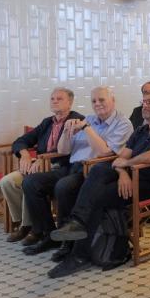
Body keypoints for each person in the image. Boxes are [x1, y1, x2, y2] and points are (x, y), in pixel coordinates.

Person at [47, 91, 150, 278]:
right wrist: (122, 173)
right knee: (100, 169)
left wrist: (125, 165)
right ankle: (77, 224)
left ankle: (78, 254)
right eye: (143, 101)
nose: (145, 105)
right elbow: (121, 158)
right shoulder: (141, 131)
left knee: (98, 197)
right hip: (130, 179)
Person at [38, 87, 134, 261]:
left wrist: (87, 128)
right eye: (93, 101)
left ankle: (68, 243)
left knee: (64, 187)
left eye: (102, 100)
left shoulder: (123, 123)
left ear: (113, 100)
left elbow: (105, 152)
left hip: (96, 171)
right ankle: (48, 234)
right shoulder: (88, 119)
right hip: (72, 166)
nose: (97, 104)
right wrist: (67, 132)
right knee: (32, 183)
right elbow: (63, 150)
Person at [1, 88, 84, 245]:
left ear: (70, 102)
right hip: (38, 165)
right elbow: (21, 140)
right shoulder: (47, 122)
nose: (54, 101)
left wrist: (44, 159)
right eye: (52, 98)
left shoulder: (77, 121)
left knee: (30, 182)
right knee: (8, 181)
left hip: (62, 167)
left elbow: (70, 150)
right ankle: (25, 224)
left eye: (59, 98)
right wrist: (25, 154)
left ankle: (36, 229)